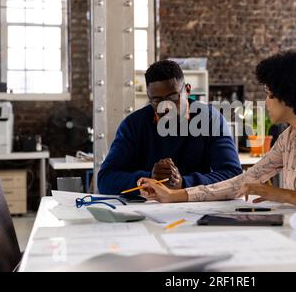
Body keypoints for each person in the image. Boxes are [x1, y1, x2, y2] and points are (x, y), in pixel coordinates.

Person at [139, 49, 296, 228]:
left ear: (288, 96)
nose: (265, 102)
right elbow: (241, 182)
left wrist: (287, 195)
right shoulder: (288, 140)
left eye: (268, 95)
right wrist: (173, 195)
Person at [98, 60, 242, 195]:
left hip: (196, 207)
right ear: (149, 98)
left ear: (187, 91)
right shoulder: (134, 125)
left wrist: (184, 183)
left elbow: (233, 174)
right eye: (157, 101)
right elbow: (105, 179)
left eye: (173, 98)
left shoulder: (210, 119)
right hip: (147, 210)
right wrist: (150, 180)